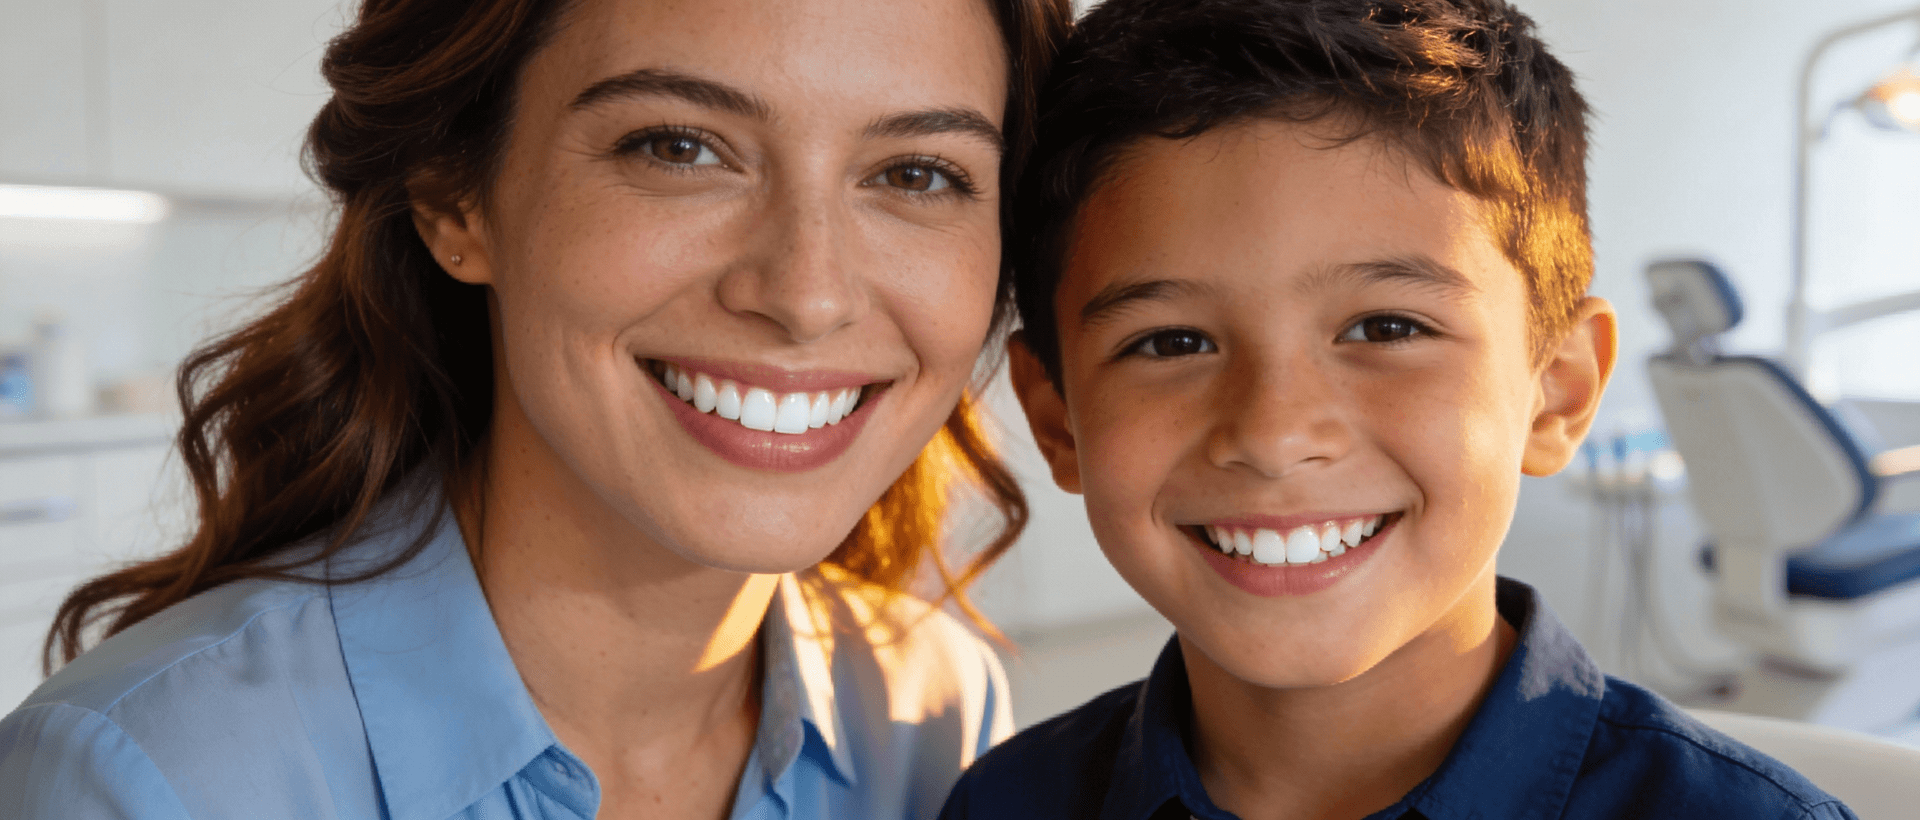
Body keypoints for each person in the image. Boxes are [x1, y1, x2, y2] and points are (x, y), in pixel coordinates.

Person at [0, 0, 1071, 817]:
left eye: (918, 173)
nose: (807, 293)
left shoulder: (934, 714)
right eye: (678, 146)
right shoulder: (150, 779)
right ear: (453, 195)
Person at [941, 0, 1858, 818]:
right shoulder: (1003, 801)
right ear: (1058, 417)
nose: (1274, 433)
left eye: (1385, 327)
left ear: (1559, 390)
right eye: (1172, 342)